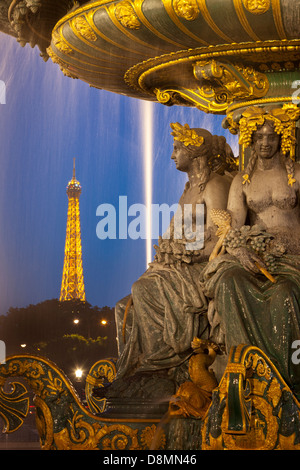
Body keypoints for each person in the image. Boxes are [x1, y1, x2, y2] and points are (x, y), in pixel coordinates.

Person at [107, 123, 235, 398]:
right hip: (180, 266)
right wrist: (166, 251)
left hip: (204, 266)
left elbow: (223, 238)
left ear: (194, 150)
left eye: (177, 148)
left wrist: (187, 253)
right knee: (122, 307)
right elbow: (175, 234)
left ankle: (157, 371)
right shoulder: (188, 190)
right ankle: (131, 373)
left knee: (142, 290)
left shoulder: (214, 186)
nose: (172, 155)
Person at [203, 107, 300, 398]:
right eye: (259, 137)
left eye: (271, 137)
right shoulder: (241, 182)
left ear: (281, 140)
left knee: (283, 293)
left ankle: (287, 378)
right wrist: (240, 251)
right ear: (252, 140)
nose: (265, 143)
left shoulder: (295, 174)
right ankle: (244, 369)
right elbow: (233, 220)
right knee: (228, 280)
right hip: (253, 254)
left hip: (291, 256)